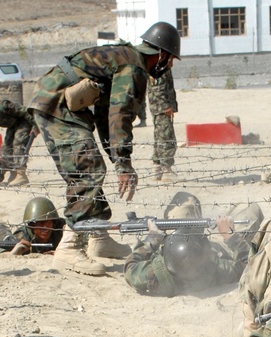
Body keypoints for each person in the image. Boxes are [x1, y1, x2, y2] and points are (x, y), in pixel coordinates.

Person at [28, 21, 181, 277]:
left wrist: (116, 159)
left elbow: (105, 115)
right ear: (161, 54)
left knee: (91, 162)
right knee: (87, 167)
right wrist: (123, 165)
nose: (170, 66)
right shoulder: (133, 67)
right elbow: (121, 114)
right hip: (56, 105)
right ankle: (68, 247)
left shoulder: (123, 58)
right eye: (171, 59)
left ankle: (98, 239)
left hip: (56, 101)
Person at [124, 192, 271, 307]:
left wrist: (152, 238)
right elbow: (247, 265)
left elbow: (130, 267)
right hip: (215, 244)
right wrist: (230, 237)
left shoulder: (155, 274)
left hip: (177, 244)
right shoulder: (217, 268)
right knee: (249, 208)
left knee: (183, 202)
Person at [148, 67, 178, 182]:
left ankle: (157, 169)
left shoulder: (156, 63)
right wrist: (166, 105)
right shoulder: (159, 65)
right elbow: (158, 88)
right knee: (166, 137)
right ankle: (166, 171)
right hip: (161, 108)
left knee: (159, 137)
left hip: (158, 107)